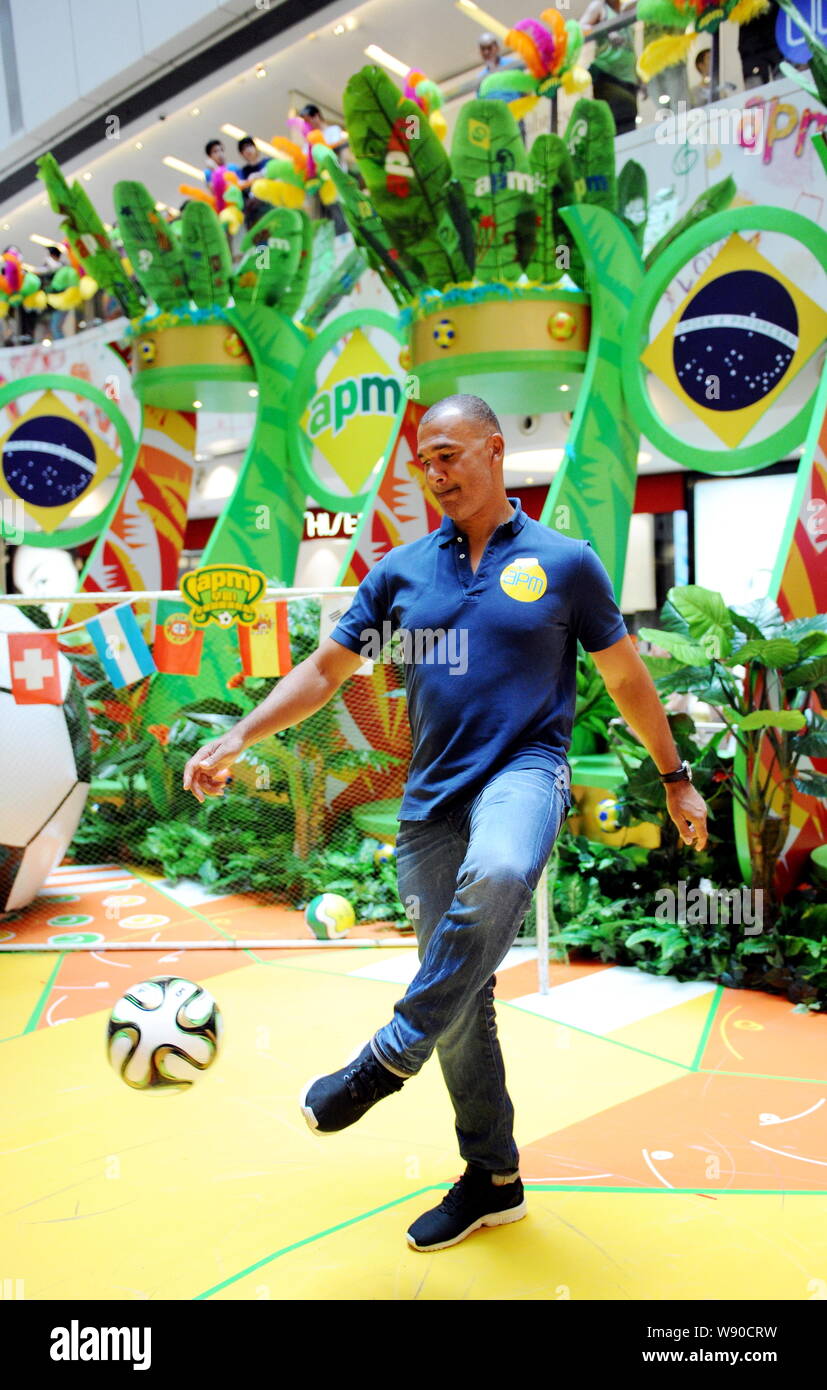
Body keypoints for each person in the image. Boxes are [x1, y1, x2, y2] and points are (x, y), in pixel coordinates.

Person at [182, 394, 709, 1254]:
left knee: (501, 873)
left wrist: (673, 778)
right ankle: (492, 1179)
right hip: (430, 805)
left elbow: (624, 679)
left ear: (495, 451)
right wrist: (240, 732)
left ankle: (386, 1057)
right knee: (463, 1003)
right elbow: (323, 672)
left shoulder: (564, 563)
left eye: (449, 453)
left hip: (524, 773)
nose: (435, 471)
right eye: (424, 460)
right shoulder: (398, 573)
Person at [582, 0, 640, 135]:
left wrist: (638, 76)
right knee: (616, 119)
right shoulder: (599, 6)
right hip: (607, 75)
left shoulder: (625, 8)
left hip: (629, 79)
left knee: (629, 122)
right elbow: (581, 28)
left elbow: (630, 47)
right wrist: (606, 30)